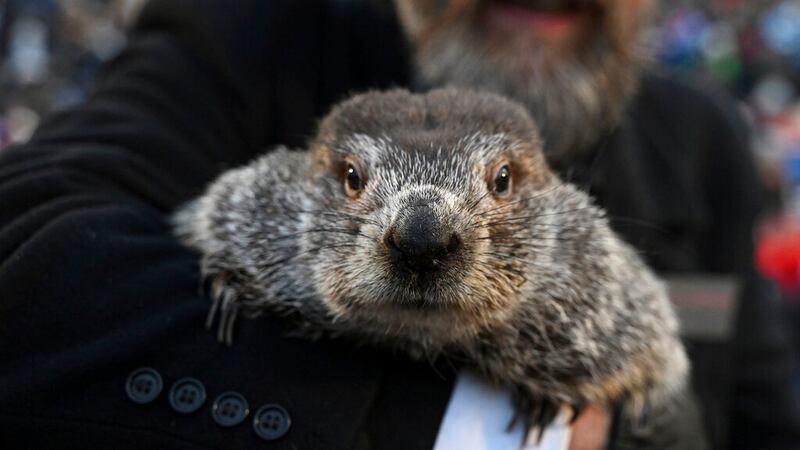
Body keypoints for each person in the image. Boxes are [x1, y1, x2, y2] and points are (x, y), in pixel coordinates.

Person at [0, 0, 797, 449]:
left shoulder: (703, 142)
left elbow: (750, 413)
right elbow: (28, 248)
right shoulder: (246, 40)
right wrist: (475, 429)